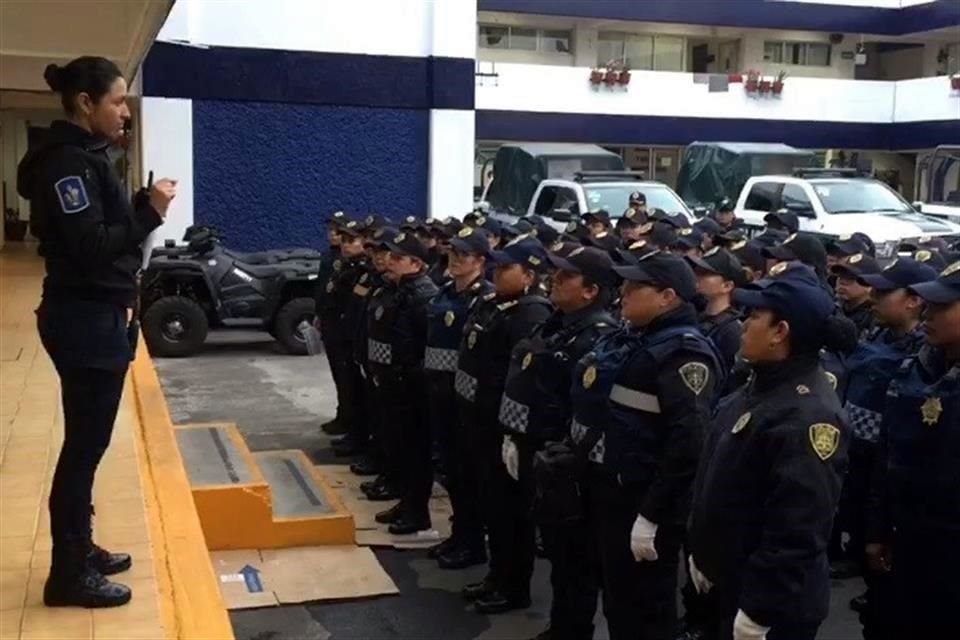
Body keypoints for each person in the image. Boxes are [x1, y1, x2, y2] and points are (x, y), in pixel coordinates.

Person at [18, 57, 176, 607]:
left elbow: (102, 234)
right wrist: (149, 213)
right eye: (116, 101)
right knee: (83, 450)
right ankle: (68, 574)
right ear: (85, 104)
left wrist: (136, 211)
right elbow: (91, 248)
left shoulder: (86, 158)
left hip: (93, 316)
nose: (124, 111)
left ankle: (80, 547)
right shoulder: (68, 165)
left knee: (88, 445)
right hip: (83, 320)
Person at [687, 261, 853, 640]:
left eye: (756, 316)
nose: (745, 324)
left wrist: (760, 609)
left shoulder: (809, 416)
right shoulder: (758, 387)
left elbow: (797, 530)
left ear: (781, 332)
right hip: (732, 581)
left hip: (771, 604)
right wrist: (703, 552)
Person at [571, 252, 723, 640]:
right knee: (621, 602)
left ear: (667, 296)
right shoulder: (638, 339)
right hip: (614, 492)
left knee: (647, 611)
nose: (623, 294)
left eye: (635, 287)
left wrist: (651, 515)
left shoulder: (683, 354)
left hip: (644, 501)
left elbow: (689, 443)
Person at [502, 247, 620, 640]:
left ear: (590, 291)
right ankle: (561, 625)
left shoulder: (597, 336)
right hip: (541, 450)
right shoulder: (556, 323)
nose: (555, 280)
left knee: (575, 557)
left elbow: (585, 407)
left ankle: (573, 630)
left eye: (567, 277)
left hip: (569, 460)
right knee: (557, 552)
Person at [455, 237, 553, 614]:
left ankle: (514, 586)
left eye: (506, 268)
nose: (497, 272)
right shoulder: (495, 304)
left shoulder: (531, 314)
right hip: (480, 419)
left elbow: (518, 378)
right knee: (491, 506)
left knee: (511, 512)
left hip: (505, 426)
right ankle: (497, 576)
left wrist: (511, 432)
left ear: (528, 274)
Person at [864, 260, 960, 638]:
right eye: (928, 305)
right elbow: (885, 458)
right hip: (906, 540)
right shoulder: (913, 371)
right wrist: (874, 532)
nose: (928, 314)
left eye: (942, 307)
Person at [838, 258, 935, 628]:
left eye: (884, 292)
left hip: (892, 458)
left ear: (912, 300)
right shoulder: (878, 334)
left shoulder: (924, 352)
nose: (874, 298)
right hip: (861, 452)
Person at [423, 228, 493, 569]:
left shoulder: (485, 300)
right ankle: (458, 532)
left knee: (468, 473)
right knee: (450, 470)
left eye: (463, 256)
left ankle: (472, 541)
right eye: (452, 254)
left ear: (480, 261)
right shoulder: (446, 291)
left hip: (466, 401)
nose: (454, 261)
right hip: (441, 394)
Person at [366, 232, 439, 534]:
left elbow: (428, 347)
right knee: (399, 447)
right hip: (392, 383)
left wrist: (414, 377)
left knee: (415, 450)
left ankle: (417, 512)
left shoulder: (423, 296)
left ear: (417, 263)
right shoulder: (394, 289)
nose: (390, 262)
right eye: (390, 256)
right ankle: (406, 502)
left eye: (398, 258)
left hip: (412, 388)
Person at [323, 219, 373, 459]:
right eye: (343, 240)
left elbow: (356, 308)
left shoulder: (363, 270)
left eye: (351, 240)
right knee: (345, 384)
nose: (345, 245)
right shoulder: (345, 265)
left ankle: (359, 437)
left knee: (356, 390)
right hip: (339, 333)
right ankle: (352, 431)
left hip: (353, 338)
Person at [686, 247, 747, 373]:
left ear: (727, 286)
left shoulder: (732, 331)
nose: (697, 275)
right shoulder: (695, 314)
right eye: (697, 270)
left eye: (705, 273)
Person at [316, 210, 348, 435]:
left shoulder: (347, 261)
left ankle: (348, 417)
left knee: (347, 376)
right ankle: (342, 413)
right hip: (328, 319)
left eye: (338, 232)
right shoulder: (328, 256)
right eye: (331, 230)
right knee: (338, 373)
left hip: (342, 323)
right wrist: (318, 313)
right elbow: (322, 289)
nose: (332, 235)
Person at [831, 253, 881, 339]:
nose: (842, 282)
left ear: (869, 284)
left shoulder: (877, 318)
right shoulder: (831, 307)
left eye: (851, 278)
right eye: (840, 276)